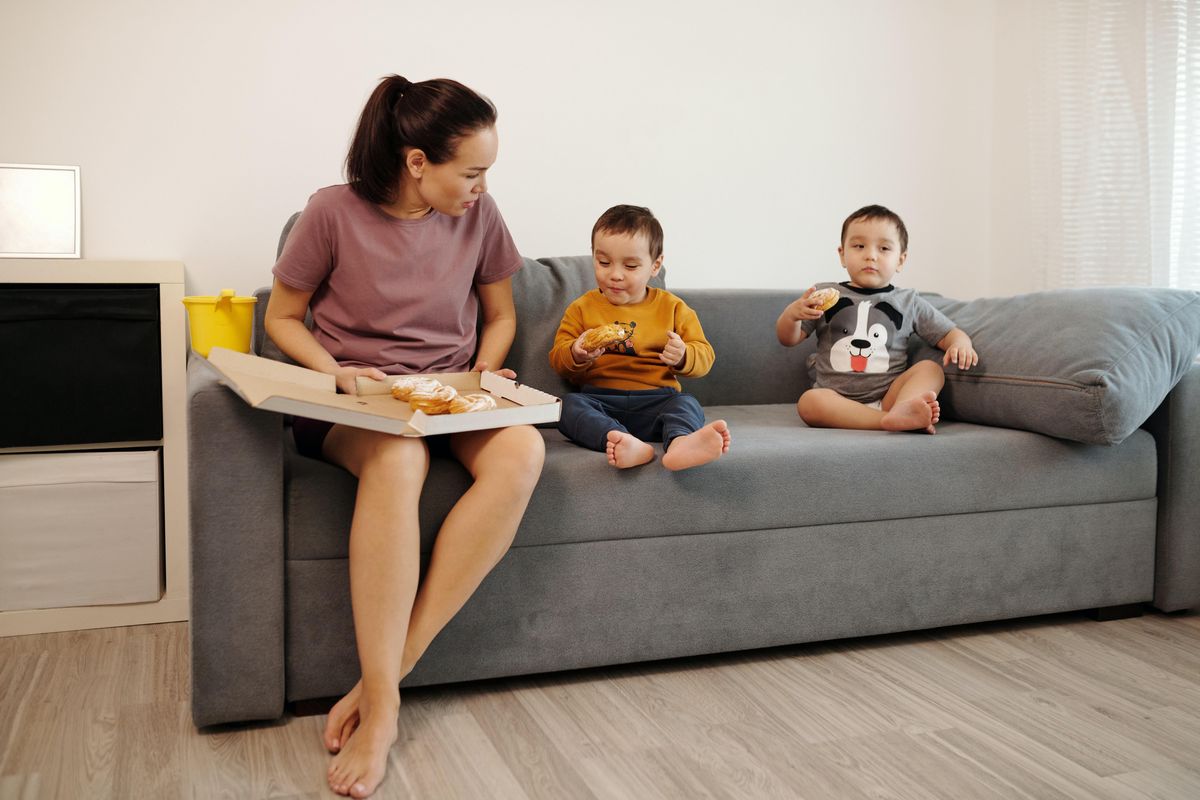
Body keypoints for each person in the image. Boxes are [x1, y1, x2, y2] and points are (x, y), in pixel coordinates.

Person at [264, 75, 545, 799]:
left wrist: (483, 375)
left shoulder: (479, 216)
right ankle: (385, 709)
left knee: (524, 451)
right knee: (397, 455)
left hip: (449, 393)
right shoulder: (330, 213)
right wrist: (339, 373)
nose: (482, 187)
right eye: (472, 172)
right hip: (360, 404)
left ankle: (386, 677)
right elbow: (281, 318)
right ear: (417, 160)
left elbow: (501, 315)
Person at [548, 204, 731, 470]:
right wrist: (576, 352)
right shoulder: (581, 308)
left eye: (631, 265)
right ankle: (624, 442)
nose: (615, 274)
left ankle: (680, 444)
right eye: (603, 262)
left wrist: (683, 356)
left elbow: (705, 356)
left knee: (686, 404)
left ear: (655, 265)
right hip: (601, 400)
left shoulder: (673, 308)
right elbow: (558, 360)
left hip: (657, 399)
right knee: (566, 405)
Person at [775, 204, 978, 434]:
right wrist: (792, 315)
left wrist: (961, 343)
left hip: (889, 396)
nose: (870, 255)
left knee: (931, 369)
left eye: (883, 248)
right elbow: (787, 339)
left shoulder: (908, 301)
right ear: (842, 254)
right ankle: (888, 421)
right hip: (837, 401)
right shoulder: (823, 295)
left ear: (901, 260)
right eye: (859, 246)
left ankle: (902, 411)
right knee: (810, 402)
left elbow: (948, 333)